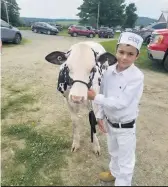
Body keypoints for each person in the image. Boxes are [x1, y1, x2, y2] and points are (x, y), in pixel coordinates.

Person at [87, 32, 144, 186]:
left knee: (126, 161)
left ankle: (122, 182)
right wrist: (100, 116)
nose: (124, 57)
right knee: (113, 152)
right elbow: (104, 93)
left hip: (125, 127)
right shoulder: (108, 71)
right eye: (121, 52)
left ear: (137, 56)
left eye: (130, 54)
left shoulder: (136, 76)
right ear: (116, 51)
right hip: (110, 122)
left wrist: (95, 97)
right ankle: (113, 173)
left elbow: (122, 103)